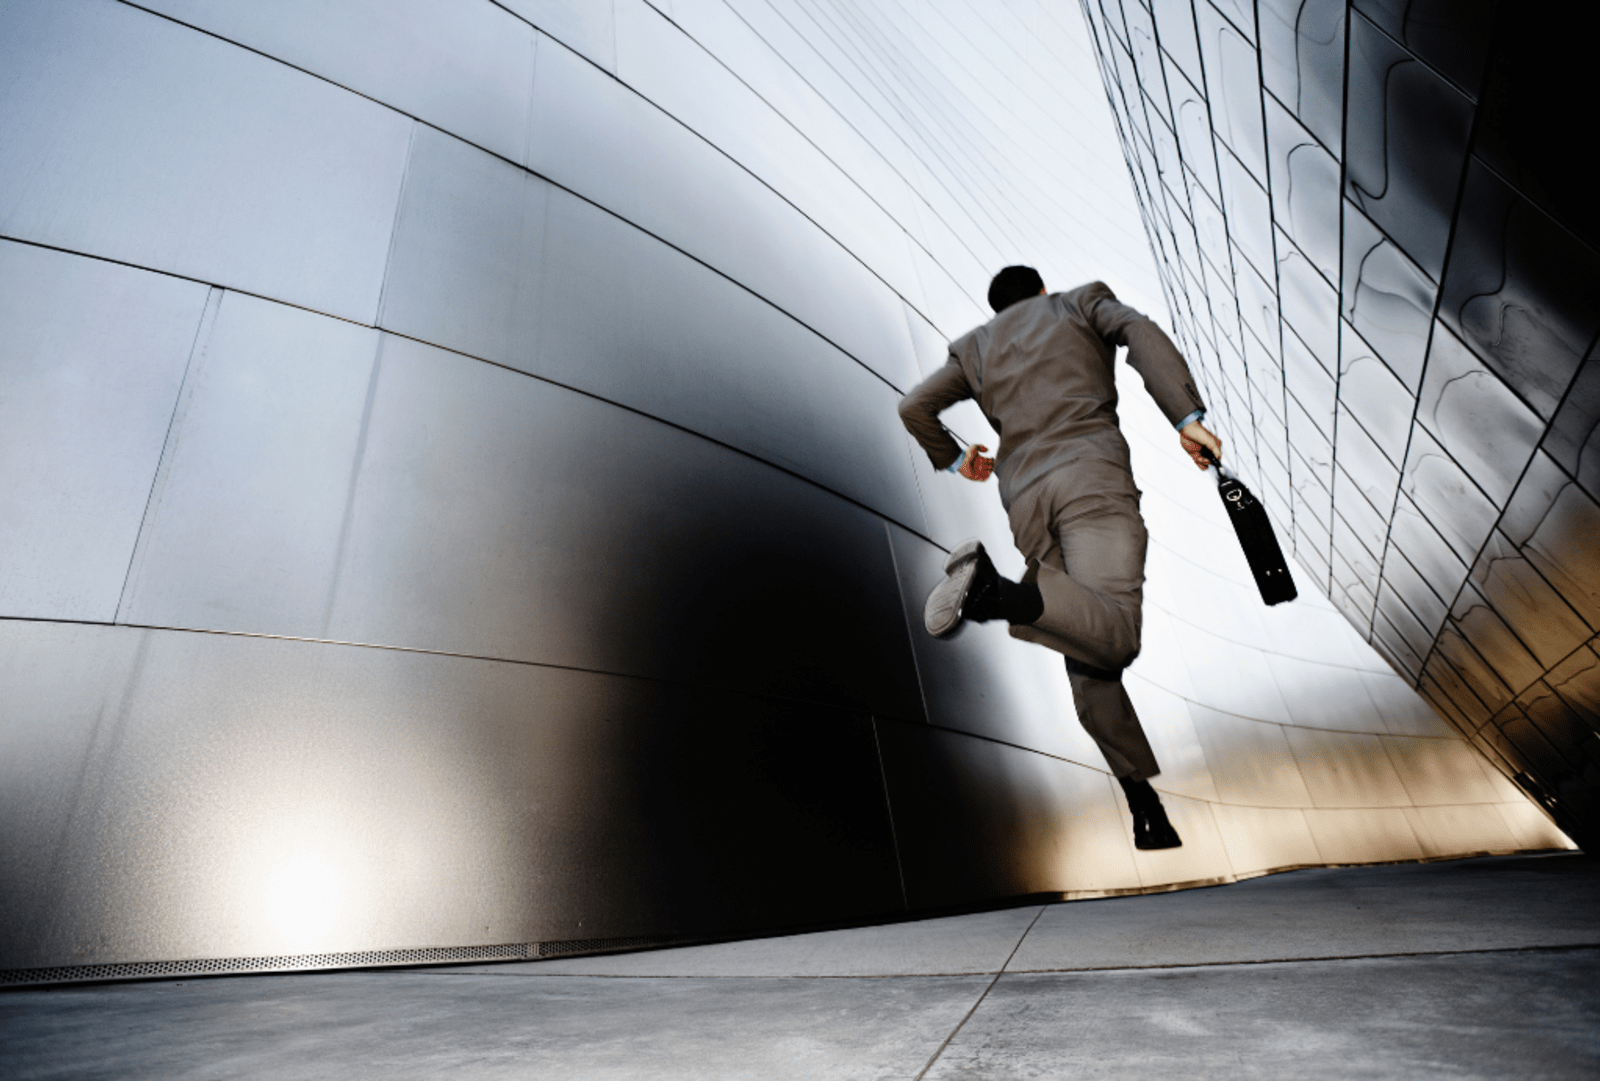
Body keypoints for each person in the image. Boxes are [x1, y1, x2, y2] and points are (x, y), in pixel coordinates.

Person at [898, 265, 1222, 851]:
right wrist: (1187, 418)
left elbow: (914, 407)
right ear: (1042, 290)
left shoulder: (975, 347)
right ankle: (996, 593)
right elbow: (1140, 331)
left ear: (997, 309)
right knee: (1116, 634)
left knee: (1080, 641)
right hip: (1090, 480)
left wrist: (955, 460)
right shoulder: (1079, 303)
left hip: (1025, 499)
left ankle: (1144, 806)